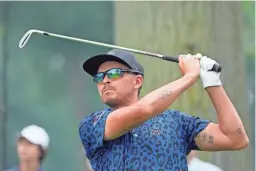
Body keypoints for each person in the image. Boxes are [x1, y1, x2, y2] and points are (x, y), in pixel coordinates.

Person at [79, 49, 249, 170]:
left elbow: (235, 138)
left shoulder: (177, 122)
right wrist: (190, 76)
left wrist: (212, 82)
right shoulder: (92, 124)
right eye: (99, 77)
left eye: (114, 73)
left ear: (137, 81)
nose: (105, 81)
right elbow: (144, 109)